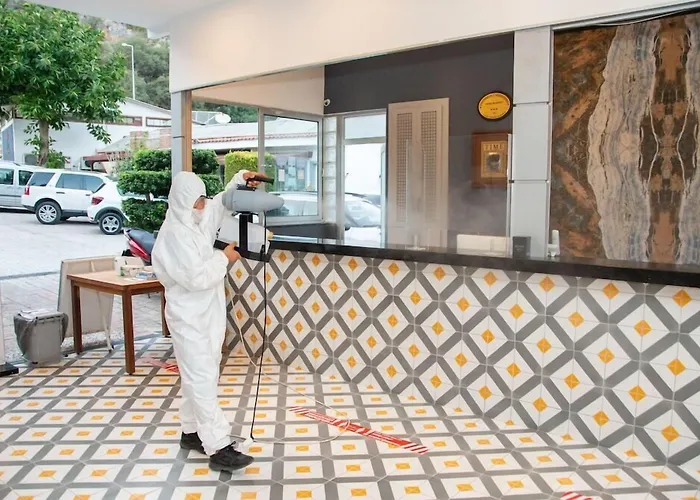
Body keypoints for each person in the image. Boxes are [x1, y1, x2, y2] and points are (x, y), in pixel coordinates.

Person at [152, 169, 256, 473]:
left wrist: (240, 180)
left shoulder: (195, 220)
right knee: (201, 377)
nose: (202, 205)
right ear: (183, 201)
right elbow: (196, 278)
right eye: (197, 201)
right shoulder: (175, 234)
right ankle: (219, 446)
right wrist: (224, 258)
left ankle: (190, 432)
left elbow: (218, 205)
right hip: (188, 315)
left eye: (202, 199)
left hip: (207, 312)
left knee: (199, 374)